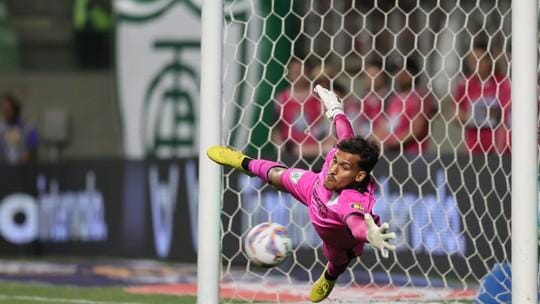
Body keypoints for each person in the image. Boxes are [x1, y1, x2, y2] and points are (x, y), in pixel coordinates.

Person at [208, 85, 396, 302]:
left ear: (360, 176)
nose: (334, 168)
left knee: (338, 262)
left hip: (336, 235)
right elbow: (345, 132)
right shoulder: (338, 159)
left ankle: (329, 277)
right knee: (280, 175)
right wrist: (335, 109)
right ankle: (242, 161)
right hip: (313, 187)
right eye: (335, 160)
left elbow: (355, 222)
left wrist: (369, 234)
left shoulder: (351, 199)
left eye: (344, 167)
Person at [453, 40, 511, 154]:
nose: (474, 64)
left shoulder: (503, 83)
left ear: (489, 60)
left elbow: (505, 115)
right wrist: (483, 114)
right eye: (471, 60)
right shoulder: (464, 85)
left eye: (479, 60)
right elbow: (457, 115)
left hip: (502, 150)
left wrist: (475, 114)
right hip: (474, 149)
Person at [372, 57, 434, 154]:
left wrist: (391, 144)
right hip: (390, 154)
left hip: (412, 154)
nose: (400, 75)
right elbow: (383, 125)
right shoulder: (392, 98)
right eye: (397, 71)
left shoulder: (421, 97)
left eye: (404, 71)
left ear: (413, 73)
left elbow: (416, 129)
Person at [273, 59, 330, 158]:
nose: (297, 75)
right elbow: (276, 129)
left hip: (315, 153)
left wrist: (314, 149)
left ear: (308, 73)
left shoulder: (319, 98)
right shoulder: (282, 98)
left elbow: (330, 131)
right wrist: (281, 147)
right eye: (294, 72)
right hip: (289, 154)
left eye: (300, 71)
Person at [0, 93, 39, 164]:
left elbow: (34, 146)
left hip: (23, 168)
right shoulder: (1, 128)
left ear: (15, 110)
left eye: (8, 110)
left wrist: (29, 154)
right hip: (4, 168)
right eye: (4, 110)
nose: (6, 113)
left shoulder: (27, 127)